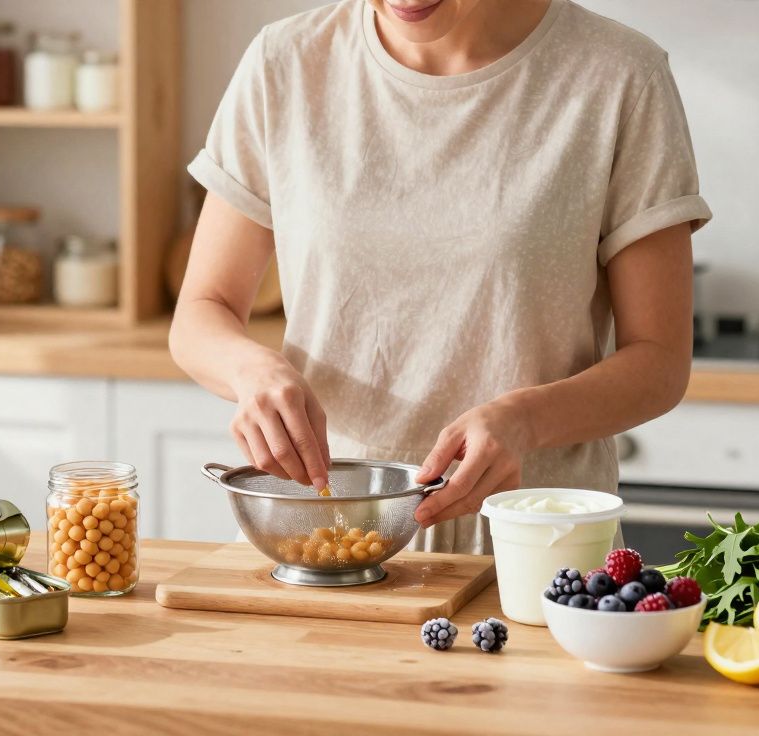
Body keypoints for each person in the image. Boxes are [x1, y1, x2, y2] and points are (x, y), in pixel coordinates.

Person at [170, 0, 711, 553]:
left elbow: (659, 361)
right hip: (322, 534)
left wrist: (523, 421)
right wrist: (251, 372)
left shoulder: (619, 74)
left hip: (532, 543)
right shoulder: (284, 63)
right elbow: (202, 310)